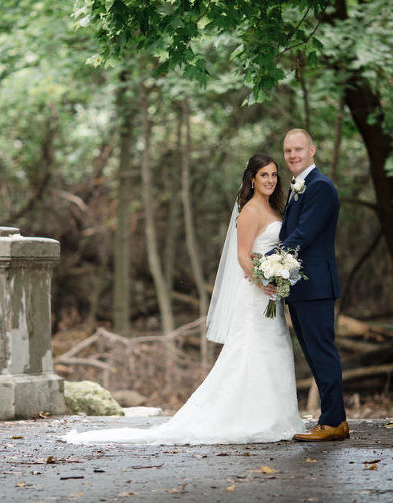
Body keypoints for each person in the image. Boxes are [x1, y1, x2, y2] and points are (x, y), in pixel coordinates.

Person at [63, 154, 304, 445]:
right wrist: (262, 280)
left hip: (269, 296)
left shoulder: (273, 208)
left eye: (274, 175)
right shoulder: (251, 211)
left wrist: (277, 275)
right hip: (255, 296)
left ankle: (276, 416)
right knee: (252, 352)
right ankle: (252, 417)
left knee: (274, 350)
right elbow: (242, 256)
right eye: (264, 175)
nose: (270, 180)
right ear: (252, 178)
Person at [271, 128, 348, 441]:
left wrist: (268, 261)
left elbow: (303, 235)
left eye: (298, 149)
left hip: (315, 286)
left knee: (322, 353)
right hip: (302, 288)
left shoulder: (320, 187)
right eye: (288, 150)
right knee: (315, 354)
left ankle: (333, 422)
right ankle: (332, 420)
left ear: (312, 150)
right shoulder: (299, 186)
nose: (293, 155)